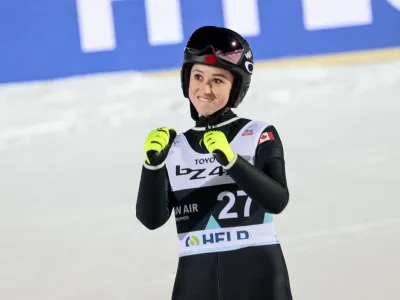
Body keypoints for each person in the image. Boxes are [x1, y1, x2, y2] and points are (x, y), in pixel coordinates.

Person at [136, 26, 293, 300]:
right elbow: (151, 220)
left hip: (259, 277)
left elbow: (277, 201)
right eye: (198, 76)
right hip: (196, 280)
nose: (205, 89)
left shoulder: (258, 133)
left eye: (218, 80)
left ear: (236, 88)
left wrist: (231, 161)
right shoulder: (175, 146)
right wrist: (152, 166)